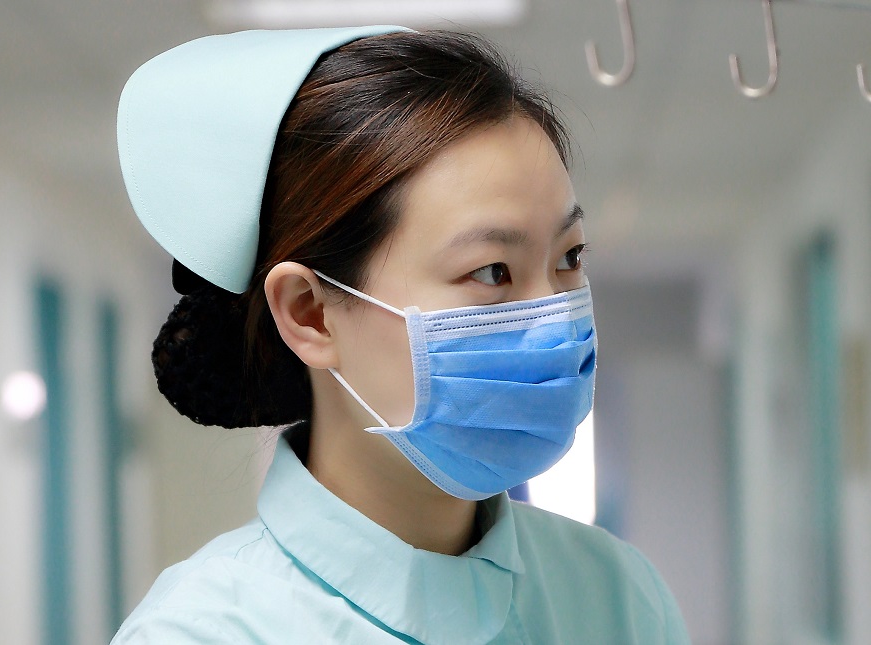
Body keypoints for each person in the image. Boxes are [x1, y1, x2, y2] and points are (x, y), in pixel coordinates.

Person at [112, 25, 690, 644]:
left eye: (569, 258)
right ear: (311, 314)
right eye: (492, 271)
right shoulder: (203, 632)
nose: (553, 317)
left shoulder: (618, 596)